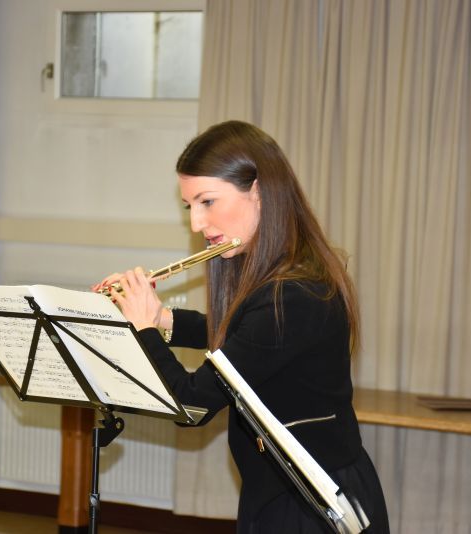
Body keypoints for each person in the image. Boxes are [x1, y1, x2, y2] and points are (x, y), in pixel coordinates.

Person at [95, 121, 389, 533]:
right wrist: (161, 319)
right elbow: (245, 337)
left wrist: (144, 330)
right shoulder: (278, 273)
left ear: (258, 192)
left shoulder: (295, 292)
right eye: (190, 206)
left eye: (208, 201)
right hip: (280, 487)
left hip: (313, 502)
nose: (197, 224)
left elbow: (192, 406)